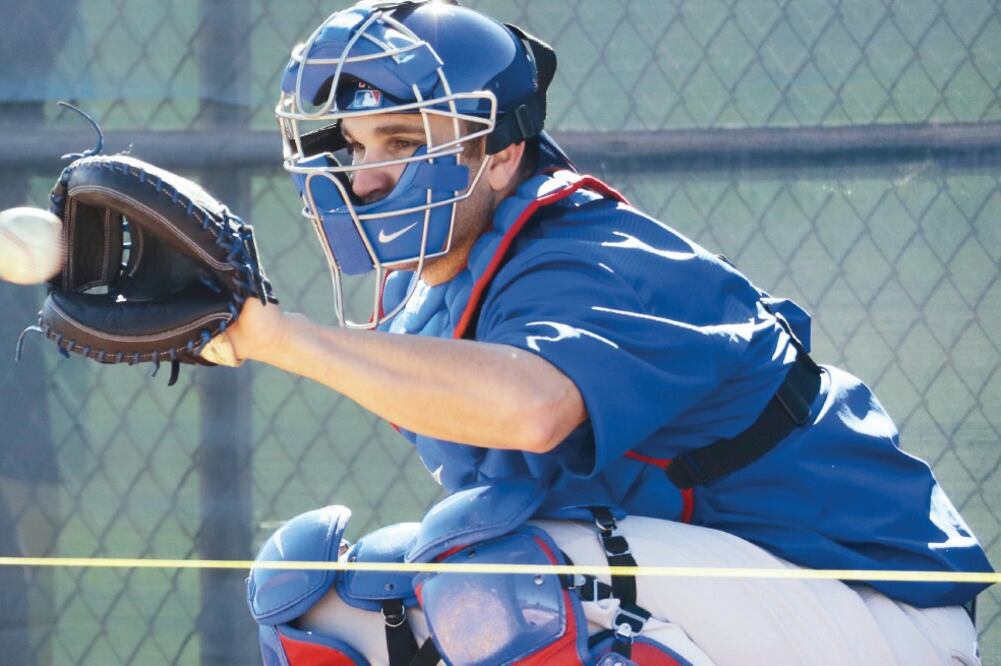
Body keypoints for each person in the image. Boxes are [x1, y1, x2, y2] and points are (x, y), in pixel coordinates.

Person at [235, 1, 994, 664]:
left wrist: (284, 339)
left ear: (501, 156)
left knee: (494, 571)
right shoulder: (434, 287)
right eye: (355, 144)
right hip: (736, 600)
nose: (363, 176)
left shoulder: (592, 258)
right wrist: (226, 324)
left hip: (875, 607)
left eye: (402, 143)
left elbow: (532, 411)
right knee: (328, 598)